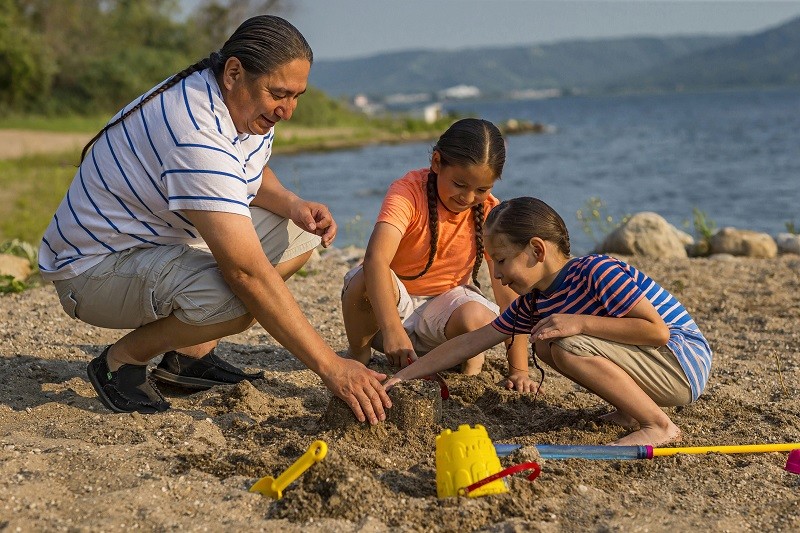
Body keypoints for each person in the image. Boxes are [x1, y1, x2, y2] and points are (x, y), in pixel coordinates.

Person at [38, 15, 391, 424]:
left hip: (155, 242)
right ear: (234, 72)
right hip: (91, 271)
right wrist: (333, 367)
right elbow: (247, 273)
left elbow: (246, 172)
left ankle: (188, 357)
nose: (288, 110)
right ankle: (120, 362)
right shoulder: (195, 130)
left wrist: (292, 203)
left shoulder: (242, 104)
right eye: (280, 94)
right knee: (236, 300)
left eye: (297, 96)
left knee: (299, 232)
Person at [384, 197, 713, 446]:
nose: (496, 273)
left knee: (565, 341)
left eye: (501, 260)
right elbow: (473, 341)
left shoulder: (596, 271)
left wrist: (580, 323)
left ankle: (658, 425)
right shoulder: (535, 301)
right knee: (545, 343)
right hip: (655, 365)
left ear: (537, 250)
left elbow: (656, 332)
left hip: (681, 361)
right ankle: (631, 410)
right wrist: (404, 376)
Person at [341, 118, 530, 386]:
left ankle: (467, 361)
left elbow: (509, 295)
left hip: (443, 317)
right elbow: (376, 259)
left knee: (477, 316)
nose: (467, 197)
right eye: (459, 184)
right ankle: (359, 355)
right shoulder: (407, 192)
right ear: (437, 162)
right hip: (387, 317)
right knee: (361, 280)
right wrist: (393, 329)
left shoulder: (490, 212)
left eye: (481, 189)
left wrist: (519, 370)